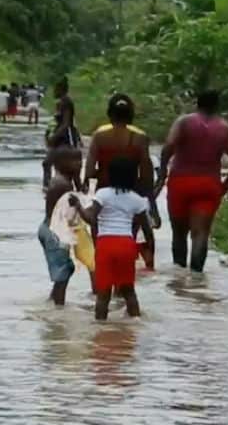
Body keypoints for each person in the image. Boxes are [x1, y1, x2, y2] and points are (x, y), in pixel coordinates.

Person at [155, 90, 228, 273]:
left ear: (197, 103)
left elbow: (169, 147)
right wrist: (227, 183)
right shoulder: (225, 128)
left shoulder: (184, 122)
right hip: (208, 183)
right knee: (201, 233)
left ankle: (179, 277)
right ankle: (196, 278)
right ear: (217, 106)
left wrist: (163, 171)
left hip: (181, 181)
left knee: (179, 234)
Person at [71, 157, 156, 320]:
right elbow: (146, 230)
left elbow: (91, 219)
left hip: (106, 244)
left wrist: (78, 207)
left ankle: (100, 329)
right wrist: (150, 254)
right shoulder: (138, 200)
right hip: (127, 244)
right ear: (133, 177)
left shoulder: (103, 194)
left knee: (103, 293)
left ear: (110, 176)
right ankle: (136, 324)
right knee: (128, 290)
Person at [84, 94, 160, 269]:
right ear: (131, 114)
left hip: (104, 191)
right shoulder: (140, 138)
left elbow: (88, 170)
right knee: (130, 235)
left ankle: (101, 265)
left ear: (110, 113)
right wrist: (150, 201)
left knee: (101, 231)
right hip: (131, 193)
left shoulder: (99, 136)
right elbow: (147, 175)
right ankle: (130, 271)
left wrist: (93, 177)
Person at [38, 147, 83, 306]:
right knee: (64, 271)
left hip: (49, 229)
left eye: (80, 160)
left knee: (64, 269)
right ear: (62, 163)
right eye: (75, 161)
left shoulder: (61, 180)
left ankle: (53, 301)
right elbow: (69, 213)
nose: (80, 164)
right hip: (54, 232)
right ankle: (58, 307)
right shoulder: (63, 184)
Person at [43, 76, 81, 189]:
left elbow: (66, 123)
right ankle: (49, 186)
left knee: (70, 168)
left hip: (66, 137)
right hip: (59, 137)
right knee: (47, 163)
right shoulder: (60, 102)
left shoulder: (66, 102)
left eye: (55, 89)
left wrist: (54, 137)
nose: (54, 92)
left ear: (60, 89)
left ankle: (75, 188)